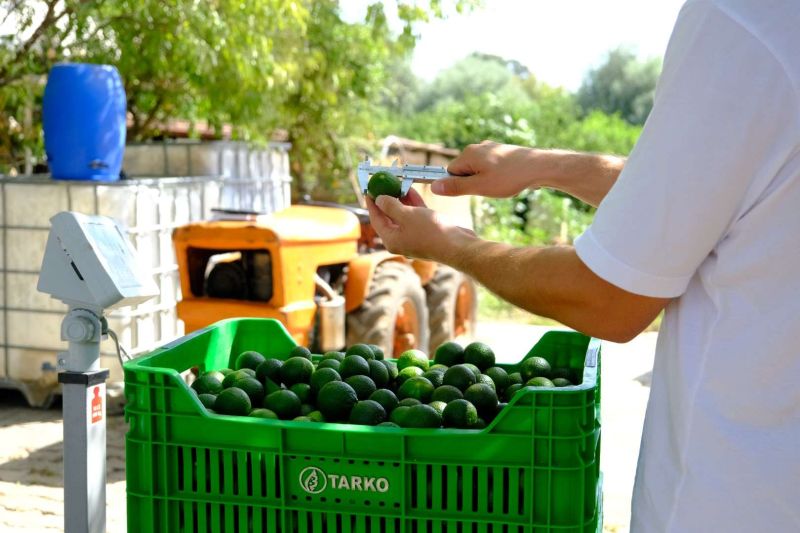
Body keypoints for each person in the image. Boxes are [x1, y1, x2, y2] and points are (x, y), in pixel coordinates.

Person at [366, 1, 800, 531]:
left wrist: (452, 245)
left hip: (735, 504)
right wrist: (540, 166)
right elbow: (697, 199)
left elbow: (607, 297)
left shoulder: (743, 20)